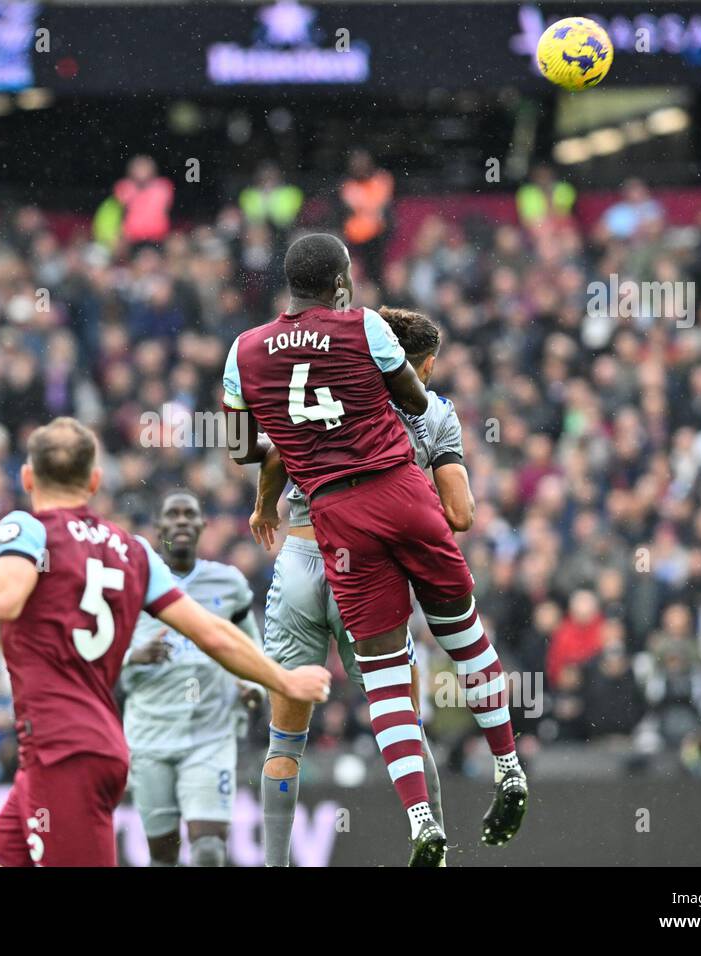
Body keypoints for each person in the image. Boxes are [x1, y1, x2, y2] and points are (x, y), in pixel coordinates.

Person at [222, 233, 524, 865]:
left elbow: (248, 449)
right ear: (342, 281)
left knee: (351, 702)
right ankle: (510, 769)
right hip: (402, 495)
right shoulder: (372, 338)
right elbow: (415, 405)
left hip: (327, 533)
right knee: (463, 639)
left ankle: (417, 824)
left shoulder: (245, 349)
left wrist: (288, 449)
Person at [0, 416, 330, 867]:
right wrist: (282, 680)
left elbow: (3, 597)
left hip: (64, 750)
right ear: (94, 481)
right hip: (83, 746)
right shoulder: (131, 550)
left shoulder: (29, 528)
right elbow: (212, 632)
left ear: (27, 477)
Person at [249, 307, 466, 866]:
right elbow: (459, 512)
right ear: (425, 364)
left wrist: (261, 506)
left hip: (301, 552)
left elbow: (269, 451)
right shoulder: (429, 412)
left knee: (284, 741)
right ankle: (433, 848)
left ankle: (274, 864)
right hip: (365, 563)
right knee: (401, 714)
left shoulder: (329, 384)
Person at [121, 490, 263, 867]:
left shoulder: (228, 583)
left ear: (203, 525)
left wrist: (256, 687)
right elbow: (100, 653)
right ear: (159, 527)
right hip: (149, 736)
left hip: (210, 735)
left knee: (209, 850)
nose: (181, 521)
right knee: (163, 858)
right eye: (173, 515)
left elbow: (253, 650)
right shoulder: (133, 584)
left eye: (190, 514)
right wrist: (133, 656)